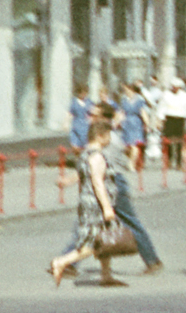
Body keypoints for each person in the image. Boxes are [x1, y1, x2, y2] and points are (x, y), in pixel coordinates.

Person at [50, 113, 130, 288]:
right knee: (94, 243)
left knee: (105, 237)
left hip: (88, 201)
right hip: (96, 204)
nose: (110, 139)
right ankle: (62, 261)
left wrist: (66, 182)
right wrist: (107, 207)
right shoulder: (98, 157)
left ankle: (106, 275)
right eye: (108, 135)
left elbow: (81, 174)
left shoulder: (85, 154)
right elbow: (97, 182)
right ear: (101, 136)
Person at [103, 108, 163, 275]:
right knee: (91, 225)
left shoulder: (108, 139)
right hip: (109, 183)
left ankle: (152, 260)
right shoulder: (105, 137)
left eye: (93, 115)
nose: (88, 118)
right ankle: (101, 269)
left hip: (113, 183)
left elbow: (97, 165)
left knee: (129, 222)